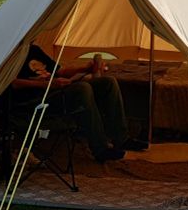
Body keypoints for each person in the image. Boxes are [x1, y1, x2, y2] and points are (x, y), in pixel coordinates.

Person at [11, 44, 146, 162]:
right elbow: (13, 83)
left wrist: (84, 69)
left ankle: (121, 138)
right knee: (82, 88)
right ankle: (100, 149)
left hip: (55, 91)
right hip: (35, 102)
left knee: (108, 82)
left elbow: (61, 71)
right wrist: (49, 84)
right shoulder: (9, 54)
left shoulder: (33, 50)